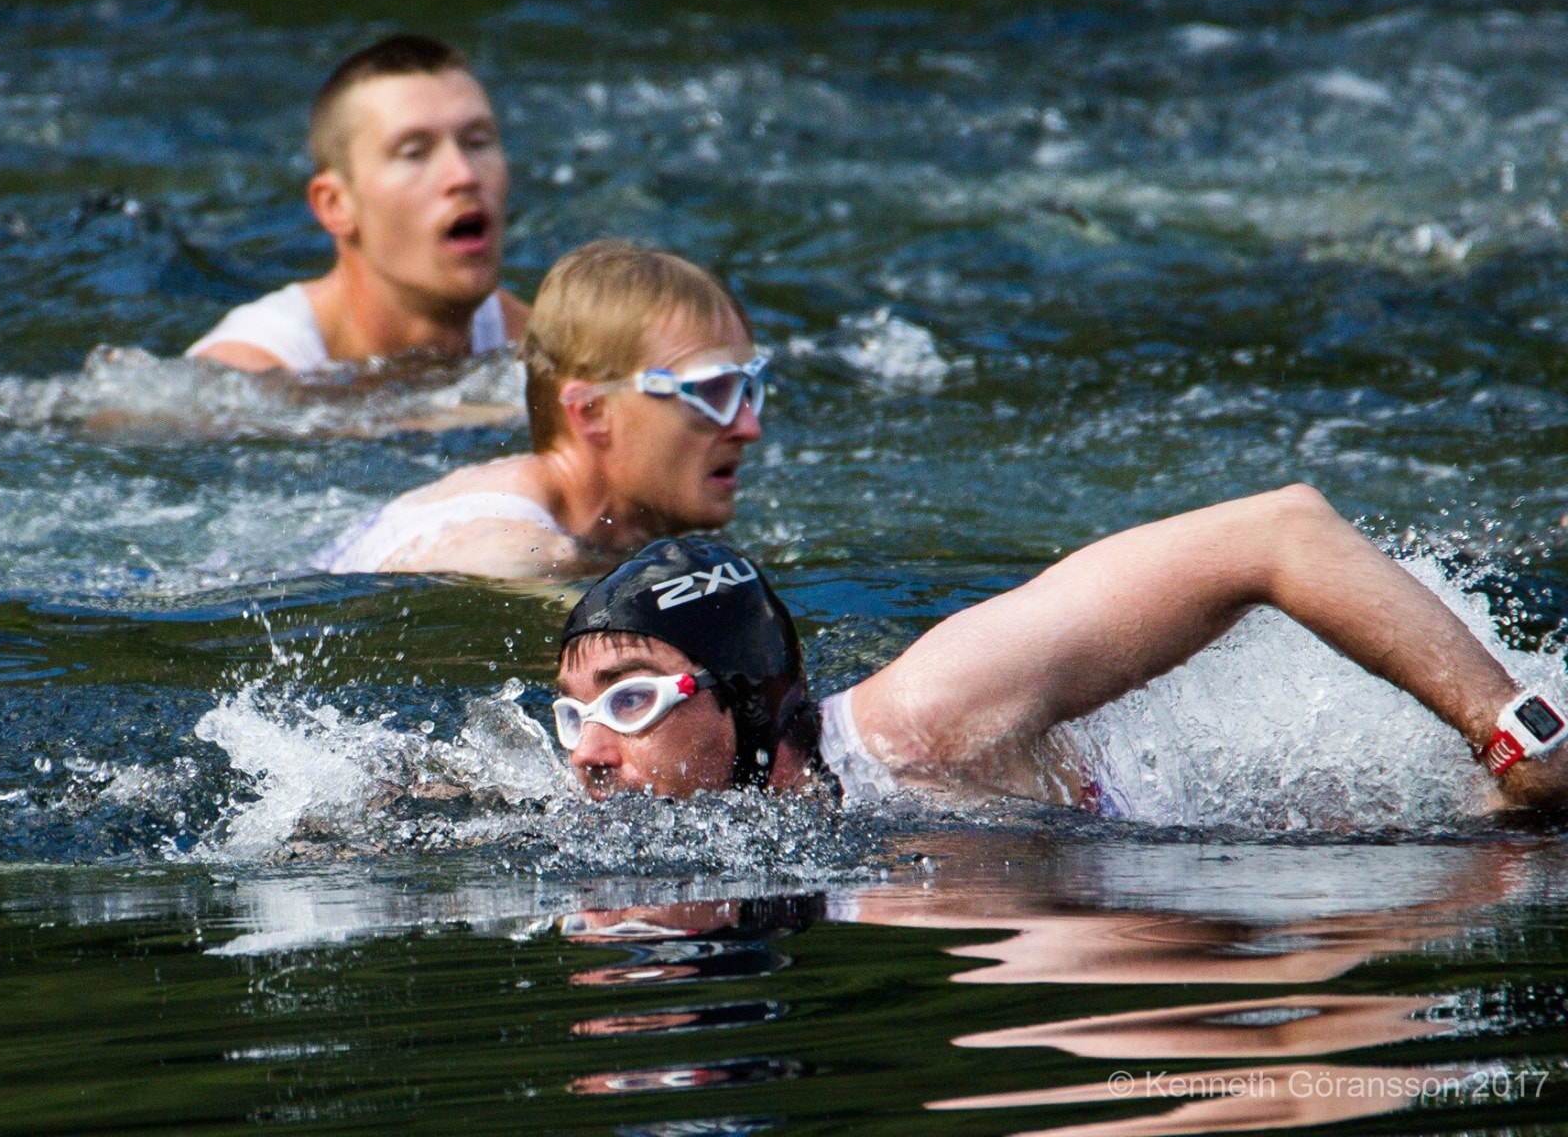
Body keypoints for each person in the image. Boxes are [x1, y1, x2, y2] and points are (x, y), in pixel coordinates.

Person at [550, 486, 1568, 811]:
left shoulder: (929, 714)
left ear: (748, 703)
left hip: (1449, 734)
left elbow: (1281, 533)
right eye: (573, 713)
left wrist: (1511, 736)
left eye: (629, 701)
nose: (584, 754)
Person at [311, 239, 766, 578]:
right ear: (592, 412)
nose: (749, 426)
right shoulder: (522, 555)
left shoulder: (606, 532)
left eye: (747, 387)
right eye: (710, 392)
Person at [187, 35, 529, 373]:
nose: (464, 175)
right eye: (414, 153)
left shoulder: (528, 343)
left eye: (477, 142)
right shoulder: (249, 370)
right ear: (335, 205)